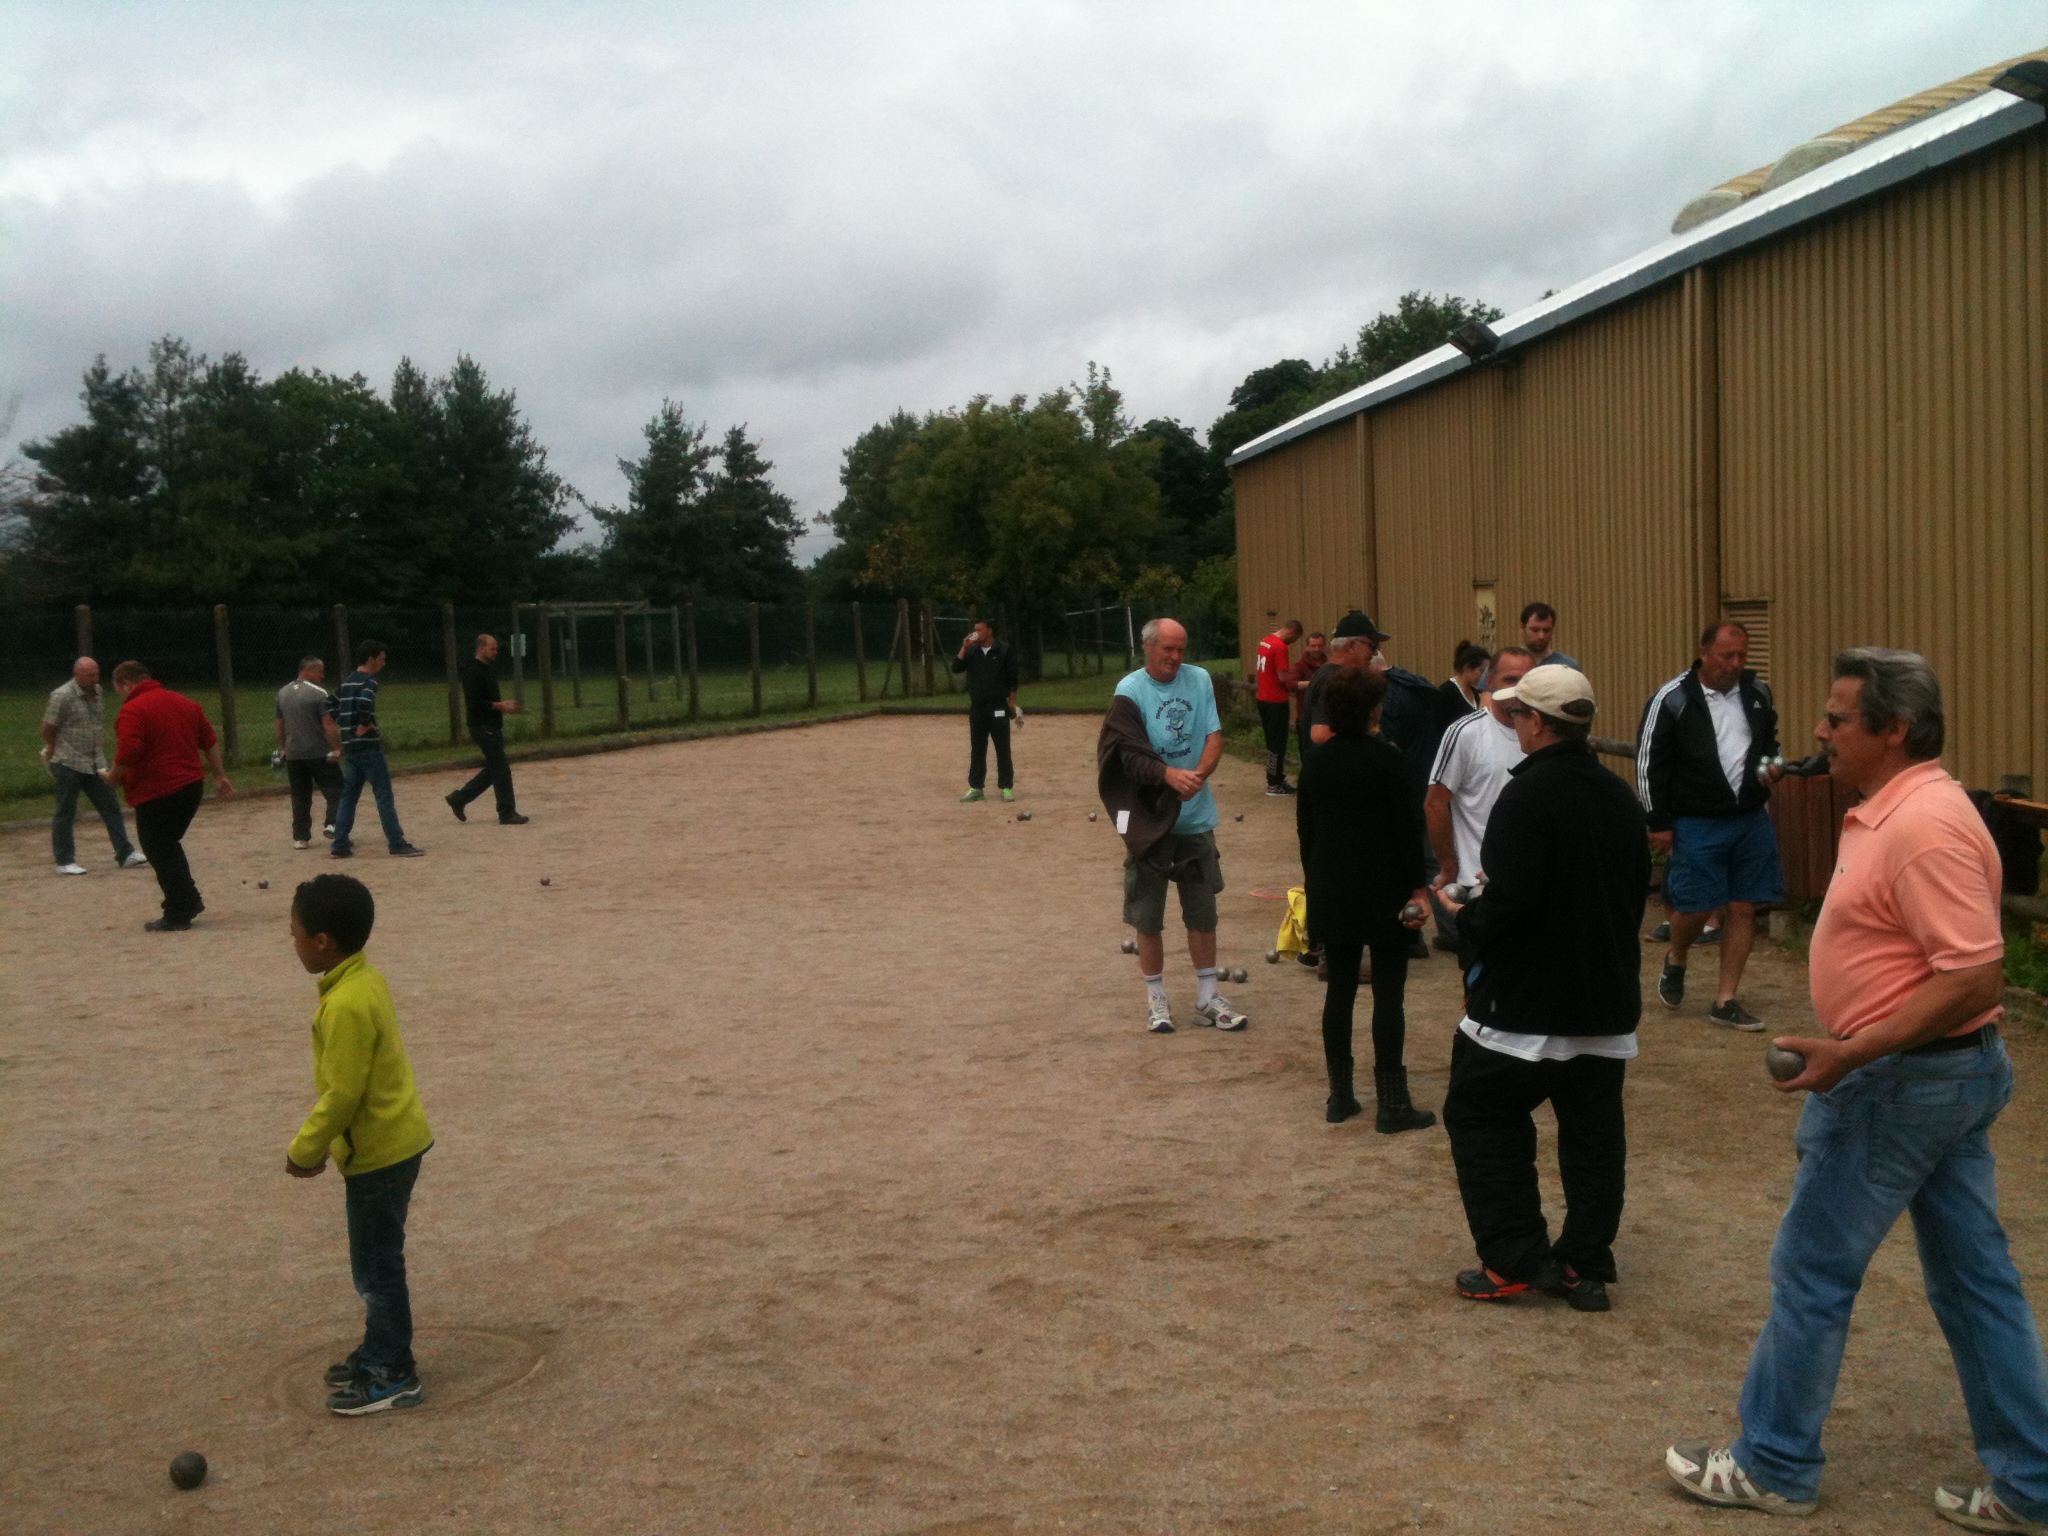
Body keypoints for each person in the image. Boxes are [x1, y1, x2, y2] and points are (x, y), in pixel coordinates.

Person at [1665, 648, 2048, 1529]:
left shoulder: (1924, 827)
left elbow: (1975, 978)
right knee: (1975, 1280)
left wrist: (1854, 1053)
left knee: (1812, 1269)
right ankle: (2031, 1477)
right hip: (1932, 1079)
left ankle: (1775, 1461)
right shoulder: (1907, 811)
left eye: (1838, 718)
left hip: (1898, 1083)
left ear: (1894, 729)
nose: (1819, 731)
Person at [1437, 665, 1649, 1312]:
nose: (1514, 723)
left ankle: (1514, 1257)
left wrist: (1464, 920)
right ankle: (1585, 1261)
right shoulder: (1618, 800)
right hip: (1604, 1001)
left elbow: (1512, 904)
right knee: (1593, 1137)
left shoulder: (1525, 798)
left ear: (1537, 721)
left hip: (1525, 1003)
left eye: (1519, 713)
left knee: (1480, 1113)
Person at [284, 873, 435, 1417]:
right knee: (375, 1260)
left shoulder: (345, 1003)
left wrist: (305, 1150)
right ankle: (379, 1350)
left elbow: (343, 1094)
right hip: (395, 1140)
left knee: (375, 1268)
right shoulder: (364, 979)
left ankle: (394, 1372)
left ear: (322, 941)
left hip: (379, 1153)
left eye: (296, 932)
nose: (292, 940)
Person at [1296, 665, 1433, 1130]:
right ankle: (1393, 1104)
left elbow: (1306, 832)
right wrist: (1418, 886)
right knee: (1388, 995)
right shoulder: (1388, 760)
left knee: (1339, 991)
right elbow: (1406, 830)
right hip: (1385, 888)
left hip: (1332, 887)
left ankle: (1341, 1096)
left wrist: (1315, 884)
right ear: (1375, 709)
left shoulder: (1315, 761)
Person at [1096, 617, 1247, 1035]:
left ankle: (1207, 995)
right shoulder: (1130, 692)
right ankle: (1156, 999)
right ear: (1148, 648)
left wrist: (1196, 774)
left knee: (1203, 911)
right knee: (1148, 916)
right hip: (1149, 822)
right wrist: (1168, 777)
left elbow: (1214, 736)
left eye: (1181, 649)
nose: (1176, 658)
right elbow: (1127, 754)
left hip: (1196, 819)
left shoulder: (1199, 680)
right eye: (1168, 650)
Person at [1638, 621, 1784, 1029]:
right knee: (1696, 907)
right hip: (1697, 821)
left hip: (1750, 818)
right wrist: (1658, 822)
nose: (1735, 664)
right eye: (1726, 656)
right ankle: (1677, 955)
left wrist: (1770, 767)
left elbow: (1770, 742)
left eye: (1742, 656)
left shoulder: (1757, 693)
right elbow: (1649, 764)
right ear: (1704, 653)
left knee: (1743, 907)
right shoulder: (1672, 700)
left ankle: (1726, 999)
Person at [108, 661, 235, 930]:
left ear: (127, 684)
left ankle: (179, 910)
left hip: (158, 790)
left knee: (159, 847)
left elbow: (129, 750)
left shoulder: (133, 709)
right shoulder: (185, 702)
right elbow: (210, 740)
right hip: (191, 786)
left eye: (119, 689)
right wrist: (219, 775)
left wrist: (113, 776)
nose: (120, 695)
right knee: (167, 845)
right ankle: (188, 899)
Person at [1425, 645, 1535, 948]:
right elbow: (1435, 801)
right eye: (1510, 679)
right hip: (1479, 884)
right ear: (1489, 681)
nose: (1518, 687)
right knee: (1483, 979)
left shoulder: (1544, 732)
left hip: (1532, 880)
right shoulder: (1466, 733)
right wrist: (1449, 865)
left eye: (1526, 679)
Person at [40, 656, 146, 875]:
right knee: (66, 811)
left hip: (94, 761)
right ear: (77, 674)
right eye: (90, 675)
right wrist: (52, 744)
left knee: (111, 806)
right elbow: (48, 727)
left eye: (96, 674)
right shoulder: (61, 696)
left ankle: (125, 853)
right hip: (68, 760)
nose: (95, 679)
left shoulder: (97, 692)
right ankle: (64, 860)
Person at [330, 641, 424, 859]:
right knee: (383, 795)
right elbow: (365, 701)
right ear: (371, 659)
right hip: (368, 747)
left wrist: (345, 724)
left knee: (349, 796)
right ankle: (396, 842)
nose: (384, 663)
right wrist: (363, 724)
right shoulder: (369, 682)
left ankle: (340, 843)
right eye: (381, 658)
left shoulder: (347, 682)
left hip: (350, 746)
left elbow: (329, 704)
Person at [446, 634, 529, 825]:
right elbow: (475, 703)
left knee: (495, 767)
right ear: (481, 648)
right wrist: (501, 706)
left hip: (491, 724)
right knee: (501, 768)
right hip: (482, 725)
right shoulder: (473, 671)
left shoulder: (487, 669)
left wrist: (502, 706)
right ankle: (507, 813)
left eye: (496, 648)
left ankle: (458, 799)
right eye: (492, 648)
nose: (495, 652)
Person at [276, 657, 343, 849]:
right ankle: (333, 824)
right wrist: (337, 747)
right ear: (308, 671)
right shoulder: (319, 694)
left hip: (294, 753)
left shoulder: (282, 693)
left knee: (300, 795)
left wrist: (283, 748)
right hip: (318, 751)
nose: (322, 676)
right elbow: (328, 724)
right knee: (336, 788)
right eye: (320, 671)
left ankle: (301, 837)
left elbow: (279, 725)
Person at [952, 619, 1020, 803]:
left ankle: (1006, 787)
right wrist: (964, 647)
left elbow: (1013, 679)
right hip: (978, 708)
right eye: (975, 630)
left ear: (989, 631)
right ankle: (976, 787)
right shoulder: (972, 651)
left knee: (1002, 748)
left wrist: (1011, 704)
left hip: (998, 706)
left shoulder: (1004, 650)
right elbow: (956, 667)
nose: (976, 633)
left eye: (979, 629)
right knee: (977, 748)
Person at [1253, 618, 1303, 796]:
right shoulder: (1280, 647)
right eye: (1294, 639)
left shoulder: (1265, 641)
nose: (1292, 643)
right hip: (1275, 701)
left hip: (1263, 698)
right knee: (1277, 743)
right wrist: (1301, 684)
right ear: (1291, 632)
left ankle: (1276, 778)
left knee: (1271, 741)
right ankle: (1273, 783)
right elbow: (1283, 678)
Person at [1287, 630, 1329, 763]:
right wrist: (1313, 684)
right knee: (1307, 753)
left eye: (1319, 646)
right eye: (1313, 646)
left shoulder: (1327, 665)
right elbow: (1291, 684)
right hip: (1306, 716)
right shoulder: (1299, 666)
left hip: (1325, 717)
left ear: (1324, 646)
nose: (1316, 649)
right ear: (1307, 647)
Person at [1519, 601, 1580, 671]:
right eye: (1535, 630)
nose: (1541, 636)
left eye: (1546, 630)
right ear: (1523, 628)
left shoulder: (1568, 666)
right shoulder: (1510, 665)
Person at [1441, 640, 1490, 718]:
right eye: (1482, 670)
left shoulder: (1475, 693)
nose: (1485, 675)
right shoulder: (1446, 693)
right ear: (1467, 668)